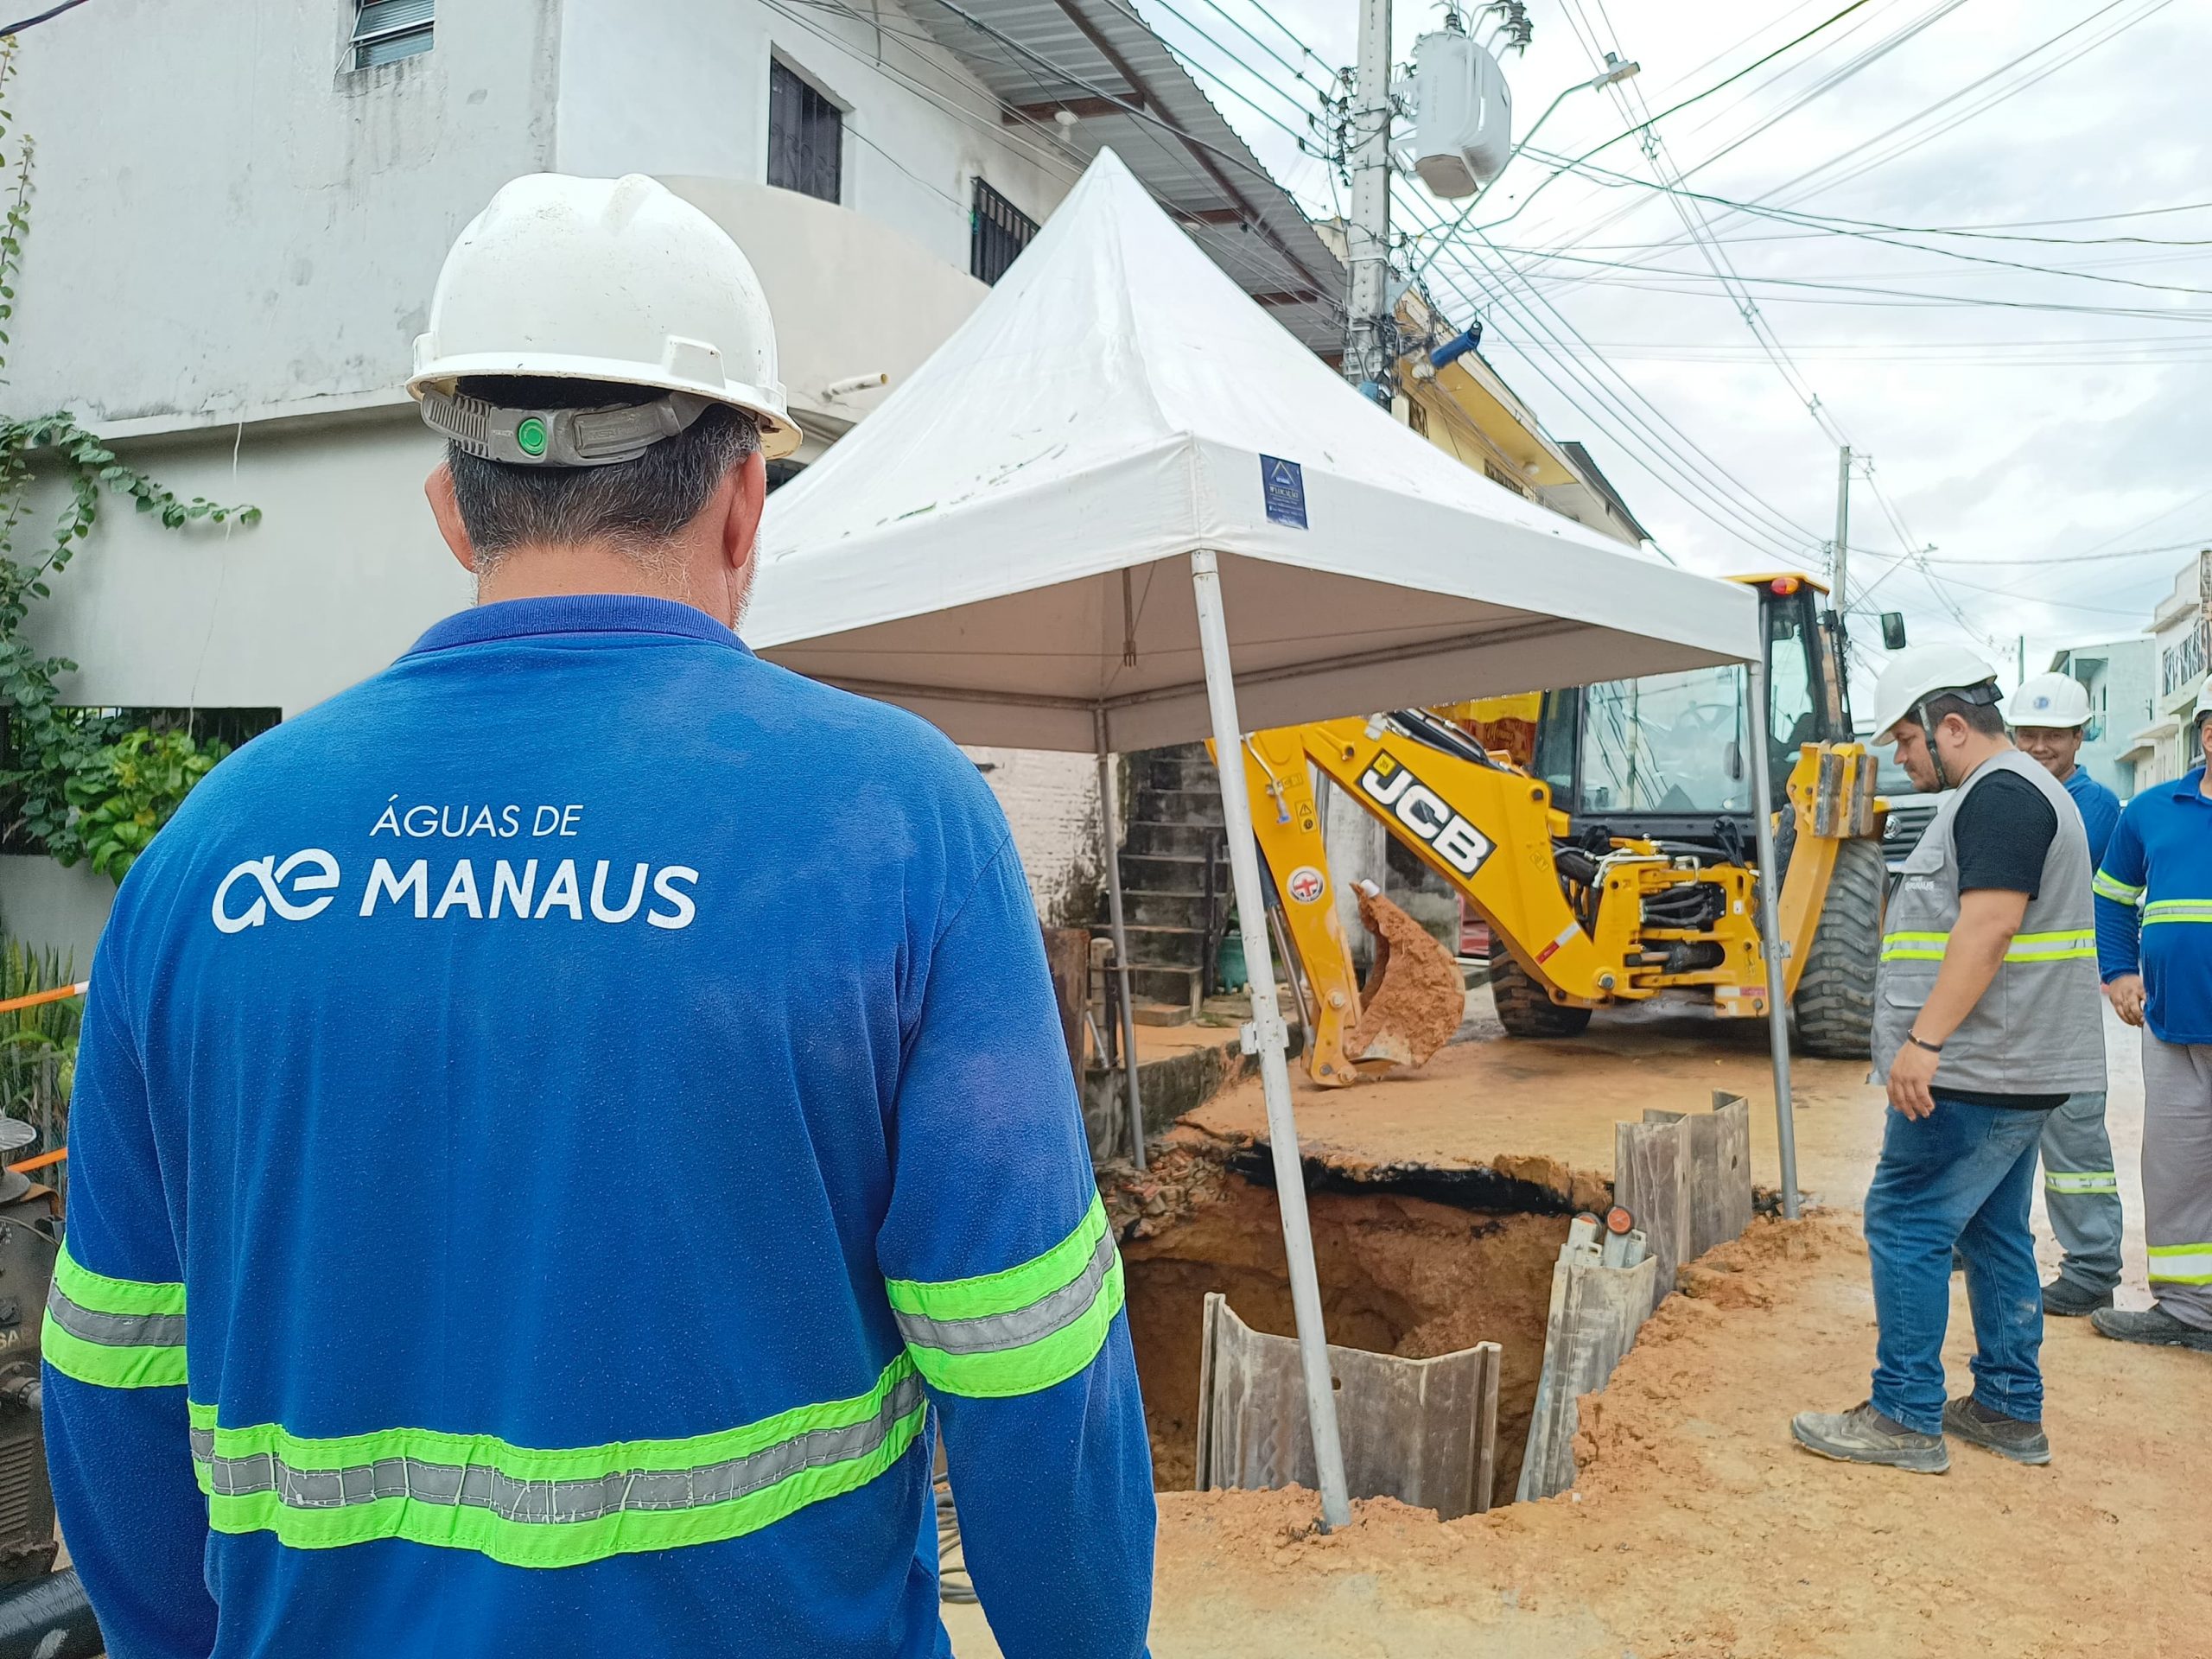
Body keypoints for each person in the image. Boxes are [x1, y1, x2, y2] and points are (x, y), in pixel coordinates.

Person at [41, 174, 1156, 1657]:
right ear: (747, 502)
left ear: (453, 507)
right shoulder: (894, 825)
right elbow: (1033, 1371)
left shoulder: (210, 857)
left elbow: (110, 1382)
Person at [1793, 645, 2103, 1473]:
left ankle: (1903, 1416)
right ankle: (2006, 1407)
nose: (1900, 758)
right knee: (1994, 1230)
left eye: (1904, 740)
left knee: (1907, 1221)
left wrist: (1922, 1044)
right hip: (2013, 1064)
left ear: (1951, 725)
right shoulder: (2022, 794)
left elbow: (1989, 928)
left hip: (1978, 1067)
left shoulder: (1999, 798)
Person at [2088, 679, 2212, 1354]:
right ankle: (2190, 1313)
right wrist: (2120, 972)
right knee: (2177, 1168)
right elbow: (2111, 899)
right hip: (2171, 1027)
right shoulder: (2153, 810)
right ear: (2207, 733)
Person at [2010, 670, 2125, 1316]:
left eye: (2053, 735)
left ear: (2080, 737)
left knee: (2074, 1133)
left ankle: (2091, 1268)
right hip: (2009, 992)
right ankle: (1988, 1239)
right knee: (1993, 1122)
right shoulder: (2008, 792)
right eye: (2028, 732)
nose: (2038, 746)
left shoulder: (2096, 806)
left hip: (2067, 994)